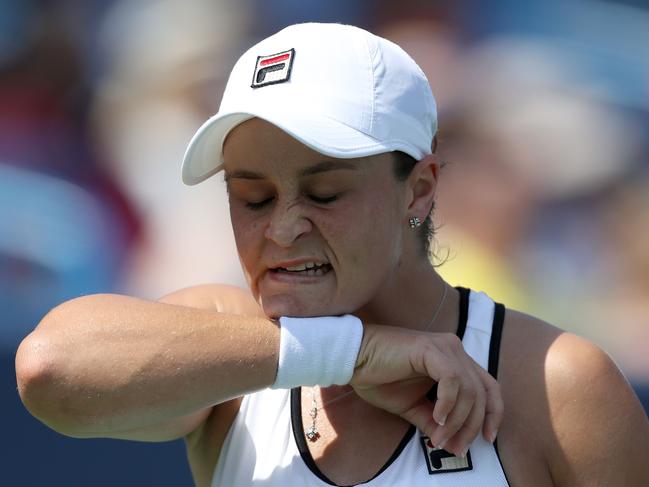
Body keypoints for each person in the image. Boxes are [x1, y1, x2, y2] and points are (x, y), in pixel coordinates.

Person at [15, 22, 649, 487]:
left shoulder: (558, 385)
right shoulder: (231, 347)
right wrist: (355, 354)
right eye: (253, 198)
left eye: (324, 193)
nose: (283, 230)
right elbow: (51, 368)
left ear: (420, 189)